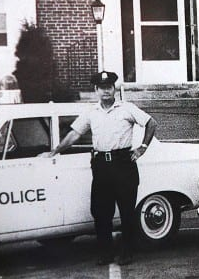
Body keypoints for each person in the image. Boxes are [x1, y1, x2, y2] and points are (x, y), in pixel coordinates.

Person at [42, 70, 158, 265]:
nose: (106, 92)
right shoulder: (91, 112)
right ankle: (105, 253)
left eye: (109, 88)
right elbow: (74, 134)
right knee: (101, 211)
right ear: (96, 90)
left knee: (127, 210)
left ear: (114, 89)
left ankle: (127, 251)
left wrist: (142, 148)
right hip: (101, 166)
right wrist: (55, 151)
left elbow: (151, 123)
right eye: (102, 88)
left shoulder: (126, 108)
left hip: (123, 164)